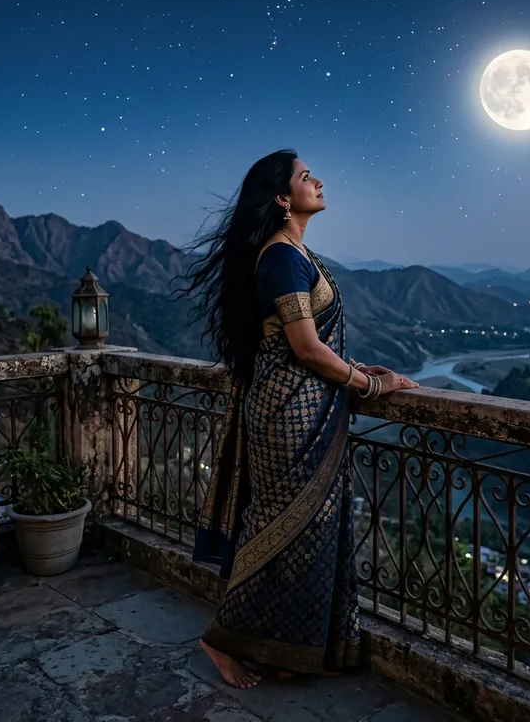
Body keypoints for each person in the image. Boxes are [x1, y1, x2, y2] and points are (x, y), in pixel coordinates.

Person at [179, 149, 419, 689]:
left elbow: (309, 346)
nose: (319, 180)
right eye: (306, 176)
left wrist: (354, 366)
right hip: (289, 416)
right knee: (277, 533)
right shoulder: (282, 258)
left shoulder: (292, 255)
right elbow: (307, 349)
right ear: (283, 197)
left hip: (308, 409)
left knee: (306, 538)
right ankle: (219, 640)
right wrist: (372, 385)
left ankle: (288, 647)